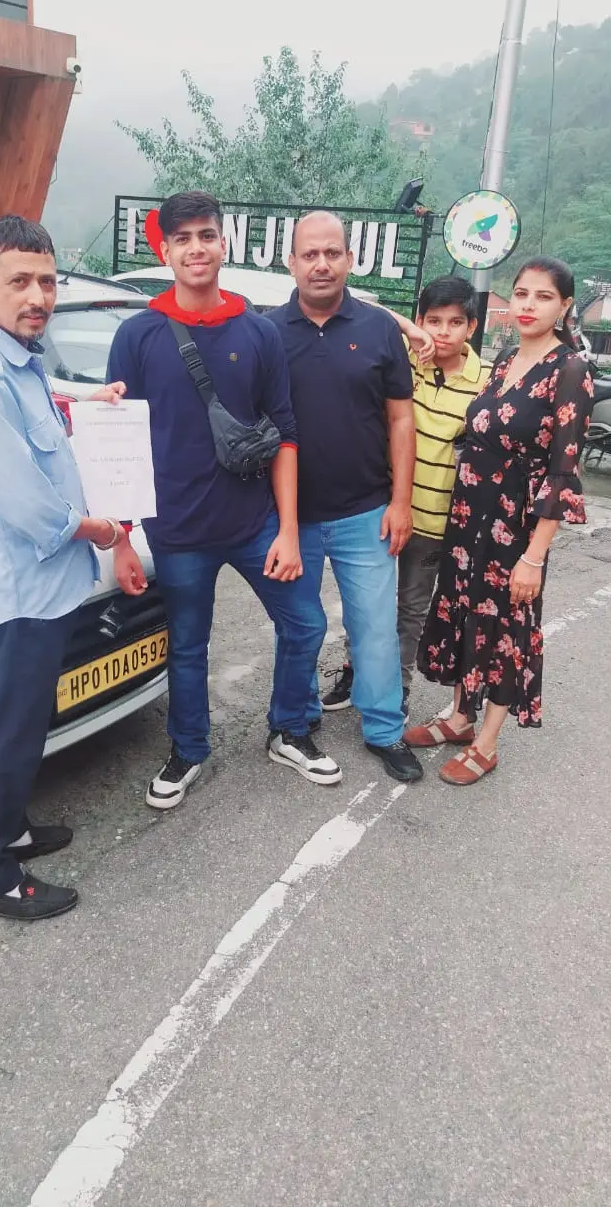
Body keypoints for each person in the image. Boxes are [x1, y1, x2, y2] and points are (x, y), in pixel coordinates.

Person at [0, 215, 147, 921]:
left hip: (46, 589)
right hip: (21, 590)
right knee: (9, 731)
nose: (38, 295)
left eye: (47, 281)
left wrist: (89, 404)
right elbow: (29, 506)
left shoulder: (17, 362)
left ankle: (11, 830)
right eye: (19, 281)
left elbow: (47, 416)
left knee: (27, 725)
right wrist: (99, 528)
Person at [106, 191, 340, 809]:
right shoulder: (138, 334)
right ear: (164, 250)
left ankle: (290, 728)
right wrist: (122, 538)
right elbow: (117, 444)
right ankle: (188, 749)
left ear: (223, 243)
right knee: (187, 647)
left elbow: (285, 433)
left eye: (205, 236)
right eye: (181, 239)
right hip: (177, 530)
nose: (195, 249)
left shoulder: (258, 333)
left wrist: (288, 529)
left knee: (306, 622)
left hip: (253, 521)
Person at [408, 256, 594, 783]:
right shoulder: (505, 358)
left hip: (515, 531)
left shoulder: (571, 371)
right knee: (465, 614)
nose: (529, 305)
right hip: (468, 518)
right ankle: (460, 718)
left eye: (543, 296)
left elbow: (563, 472)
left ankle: (486, 742)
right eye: (522, 294)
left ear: (565, 306)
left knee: (505, 629)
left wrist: (534, 556)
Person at [267, 210, 425, 783]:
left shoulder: (379, 328)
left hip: (367, 510)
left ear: (350, 260)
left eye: (332, 253)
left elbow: (402, 420)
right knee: (299, 627)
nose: (321, 264)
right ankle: (297, 722)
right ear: (291, 262)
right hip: (291, 518)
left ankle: (384, 729)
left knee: (375, 628)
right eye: (309, 254)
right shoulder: (268, 331)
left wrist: (400, 501)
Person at [321, 276, 492, 719]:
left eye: (455, 322)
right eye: (432, 320)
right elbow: (352, 301)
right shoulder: (407, 362)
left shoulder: (486, 384)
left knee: (409, 613)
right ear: (419, 322)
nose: (443, 331)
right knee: (366, 606)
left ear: (471, 327)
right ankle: (355, 673)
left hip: (435, 522)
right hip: (380, 509)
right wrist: (410, 332)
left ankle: (396, 692)